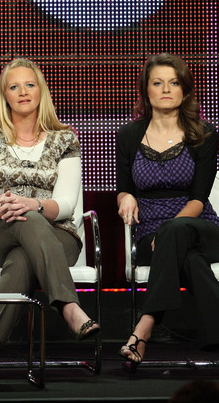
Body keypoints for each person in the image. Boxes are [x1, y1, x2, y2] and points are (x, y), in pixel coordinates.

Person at [0, 58, 100, 370]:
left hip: (57, 236)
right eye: (14, 86)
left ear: (41, 91)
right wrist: (4, 207)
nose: (23, 92)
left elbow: (66, 204)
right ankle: (68, 305)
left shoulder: (65, 139)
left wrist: (32, 205)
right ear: (4, 95)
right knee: (27, 219)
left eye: (30, 84)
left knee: (23, 257)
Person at [116, 53, 219, 371]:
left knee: (177, 236)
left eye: (174, 83)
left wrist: (169, 230)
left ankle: (144, 327)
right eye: (157, 83)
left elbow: (199, 200)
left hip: (200, 226)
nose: (165, 89)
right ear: (145, 90)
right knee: (189, 260)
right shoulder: (129, 135)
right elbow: (124, 186)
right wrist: (125, 198)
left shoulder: (204, 134)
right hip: (150, 236)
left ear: (185, 90)